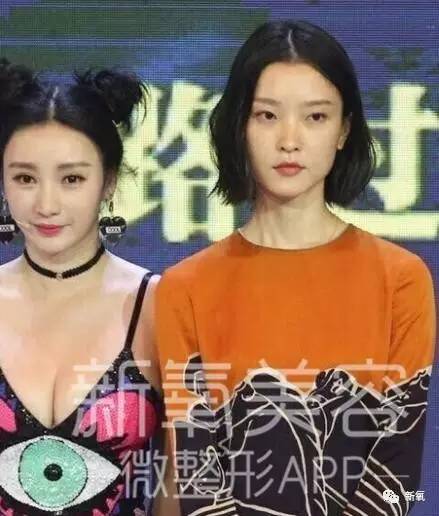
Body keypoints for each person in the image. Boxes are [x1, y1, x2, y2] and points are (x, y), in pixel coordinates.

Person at [156, 20, 436, 516]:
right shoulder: (185, 288)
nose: (290, 140)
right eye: (267, 115)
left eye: (315, 117)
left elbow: (399, 479)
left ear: (344, 129)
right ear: (239, 126)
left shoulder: (401, 279)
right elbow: (197, 474)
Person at [0, 59, 163, 515]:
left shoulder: (157, 305)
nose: (46, 204)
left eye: (71, 179)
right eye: (25, 178)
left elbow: (188, 476)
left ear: (108, 181)